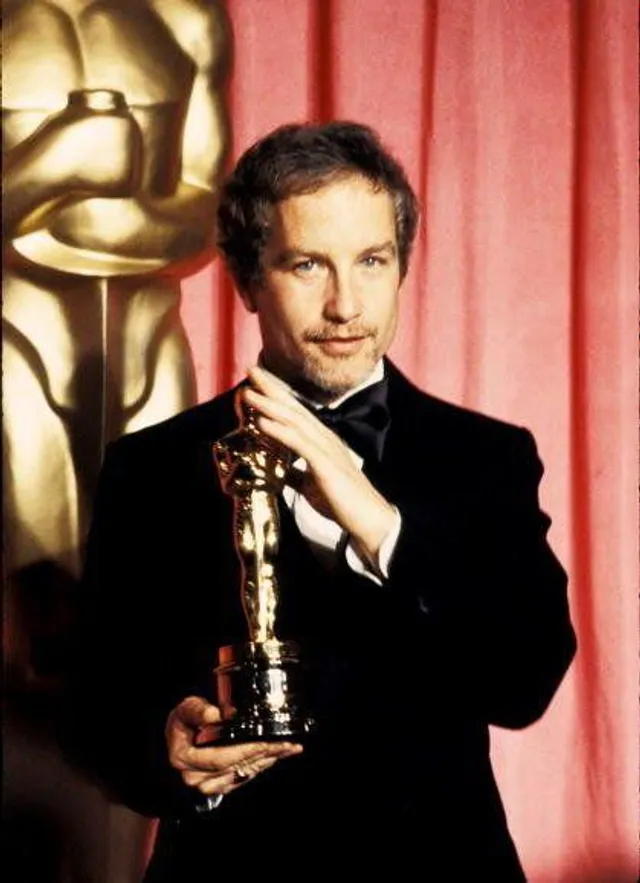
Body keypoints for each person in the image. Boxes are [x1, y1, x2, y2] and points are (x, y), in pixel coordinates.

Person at [63, 121, 577, 881]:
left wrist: (375, 520)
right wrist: (165, 750)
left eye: (372, 260)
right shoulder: (151, 469)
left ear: (401, 266)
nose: (346, 305)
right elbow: (95, 712)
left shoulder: (487, 457)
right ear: (247, 281)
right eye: (308, 264)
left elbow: (524, 679)